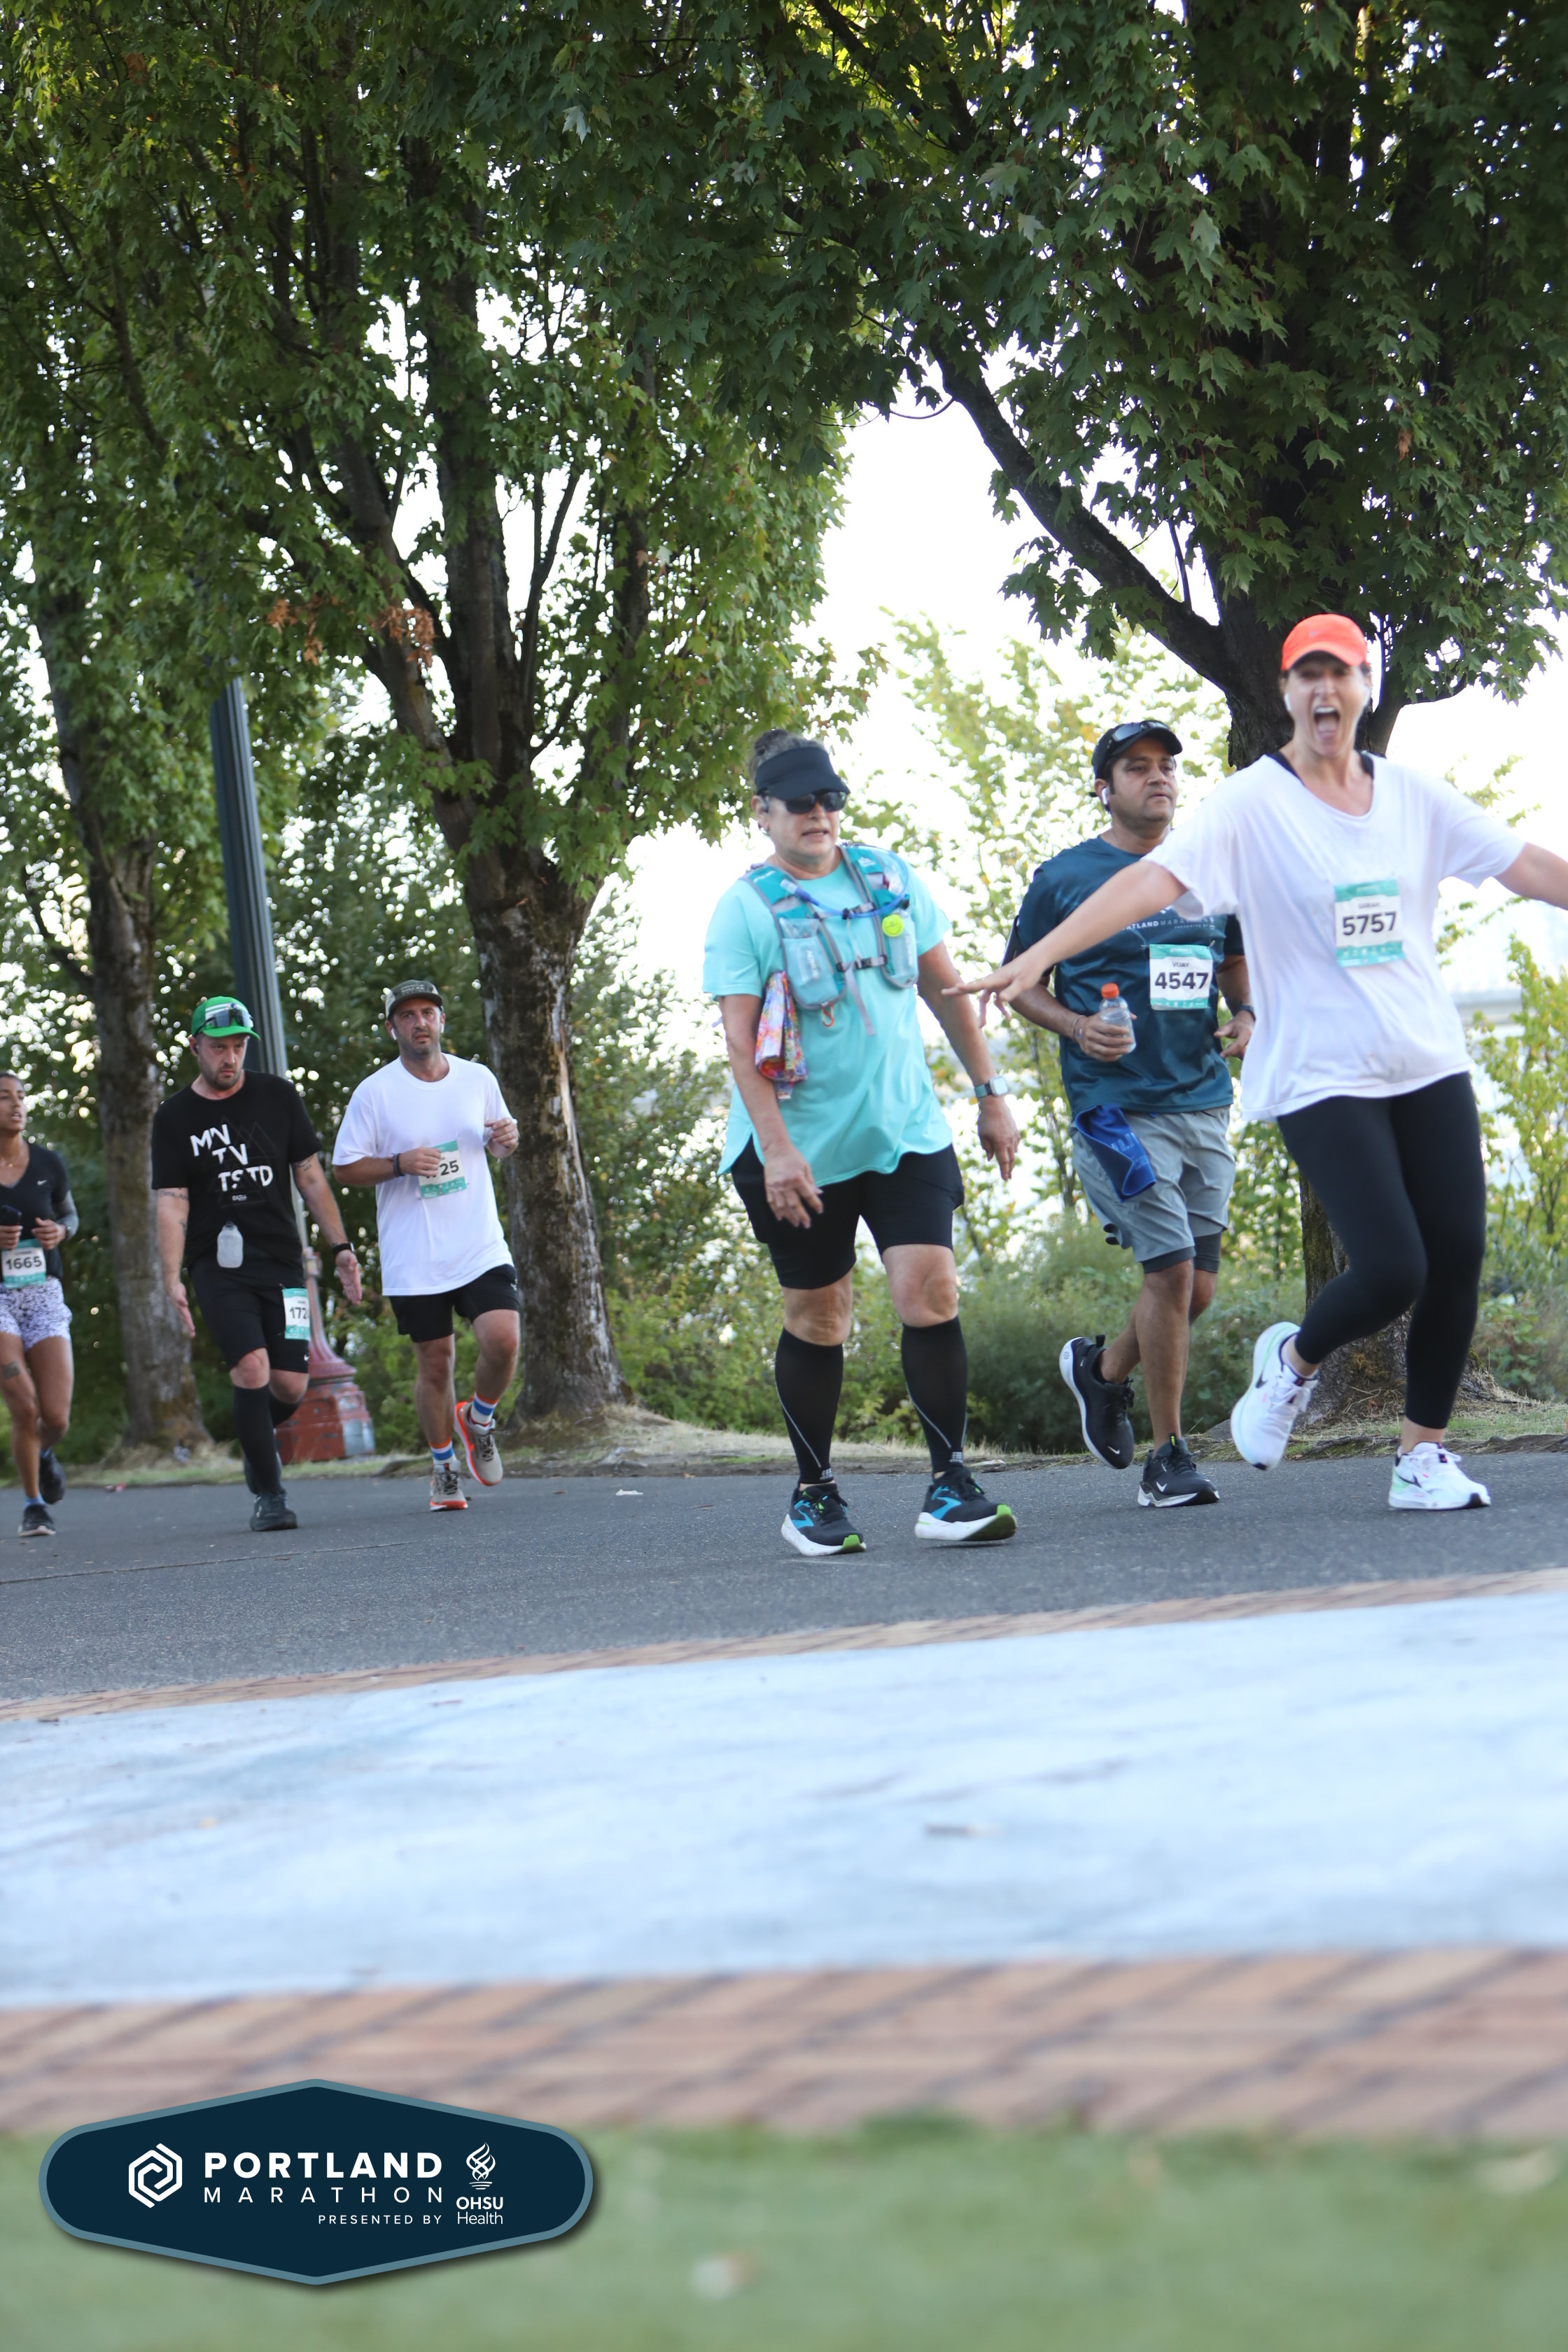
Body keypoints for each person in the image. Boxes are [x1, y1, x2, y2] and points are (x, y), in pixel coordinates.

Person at [951, 614, 1568, 1510]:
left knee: (1457, 1256)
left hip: (1424, 1057)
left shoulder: (1411, 797)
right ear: (1285, 692)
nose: (1324, 690)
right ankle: (1289, 1363)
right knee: (1392, 1267)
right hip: (1318, 1071)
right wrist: (1038, 957)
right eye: (1306, 675)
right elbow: (1148, 883)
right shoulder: (1249, 805)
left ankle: (1421, 1458)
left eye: (1340, 673)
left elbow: (1522, 864)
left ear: (1363, 687)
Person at [705, 728, 1021, 1557]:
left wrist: (989, 1094)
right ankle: (812, 1494)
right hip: (796, 1149)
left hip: (902, 1132)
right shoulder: (745, 909)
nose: (818, 813)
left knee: (931, 1291)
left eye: (830, 798)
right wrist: (776, 1150)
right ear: (762, 812)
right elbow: (739, 1043)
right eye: (799, 803)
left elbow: (946, 992)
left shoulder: (888, 879)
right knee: (821, 1315)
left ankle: (949, 1485)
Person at [1004, 720, 1254, 1506]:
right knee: (1169, 1272)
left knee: (1195, 1290)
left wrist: (1246, 1014)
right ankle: (1167, 1457)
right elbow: (1020, 984)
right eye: (1137, 767)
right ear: (1103, 788)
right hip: (1113, 1108)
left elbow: (1234, 957)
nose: (1158, 778)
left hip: (1203, 1101)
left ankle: (1103, 1371)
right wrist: (1078, 1027)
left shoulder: (1209, 869)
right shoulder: (1065, 878)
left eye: (1166, 766)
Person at [154, 995, 363, 1532]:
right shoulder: (174, 1116)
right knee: (252, 1368)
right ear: (195, 1046)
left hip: (281, 1260)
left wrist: (341, 1248)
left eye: (238, 1047)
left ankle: (255, 1446)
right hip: (218, 1266)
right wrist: (171, 1276)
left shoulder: (278, 1096)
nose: (229, 1058)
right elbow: (173, 1201)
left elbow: (310, 1177)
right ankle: (270, 1495)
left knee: (290, 1385)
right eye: (218, 1047)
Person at [332, 979, 521, 1511]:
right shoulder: (375, 1093)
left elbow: (499, 1143)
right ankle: (443, 1468)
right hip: (414, 1254)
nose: (420, 1022)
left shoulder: (476, 1078)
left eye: (428, 1013)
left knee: (504, 1341)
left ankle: (478, 1419)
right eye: (408, 1015)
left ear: (441, 1021)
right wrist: (398, 1164)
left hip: (477, 1243)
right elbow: (344, 1167)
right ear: (392, 1027)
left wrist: (507, 1140)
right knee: (436, 1365)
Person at [0, 1073, 79, 1536]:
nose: (16, 1105)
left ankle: (44, 1452)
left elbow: (69, 1214)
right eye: (4, 1098)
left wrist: (60, 1231)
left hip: (43, 1294)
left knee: (56, 1417)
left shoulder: (48, 1162)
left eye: (21, 1097)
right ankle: (33, 1506)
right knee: (24, 1405)